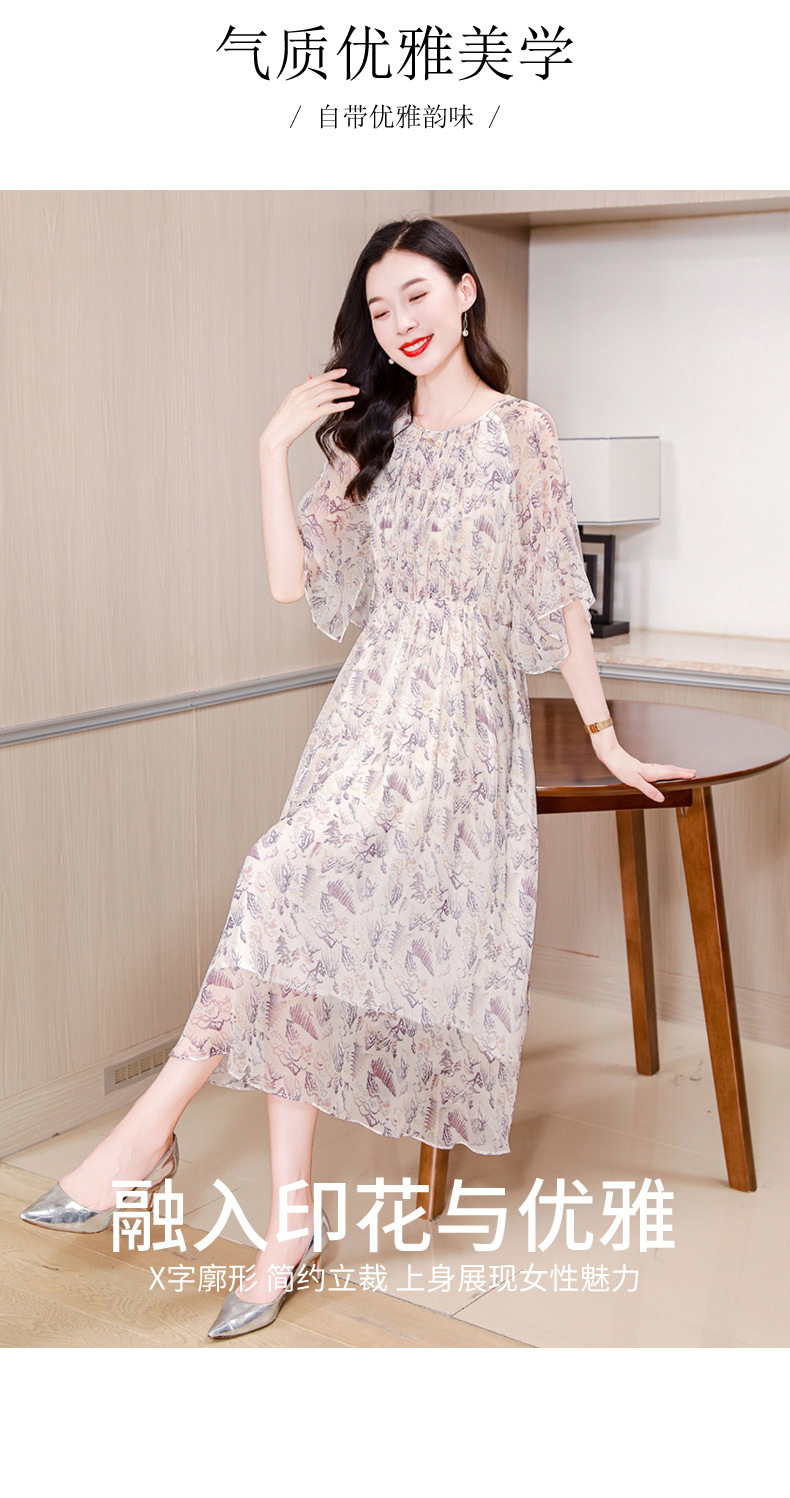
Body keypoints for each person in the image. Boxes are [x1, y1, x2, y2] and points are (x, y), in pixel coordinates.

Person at [20, 216, 696, 1339]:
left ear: (466, 294)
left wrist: (605, 735)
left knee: (282, 891)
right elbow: (296, 588)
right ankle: (280, 1227)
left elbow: (556, 596)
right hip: (367, 718)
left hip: (461, 735)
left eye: (417, 295)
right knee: (294, 923)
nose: (400, 323)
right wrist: (270, 447)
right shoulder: (370, 439)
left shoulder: (521, 433)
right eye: (379, 309)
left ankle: (144, 1138)